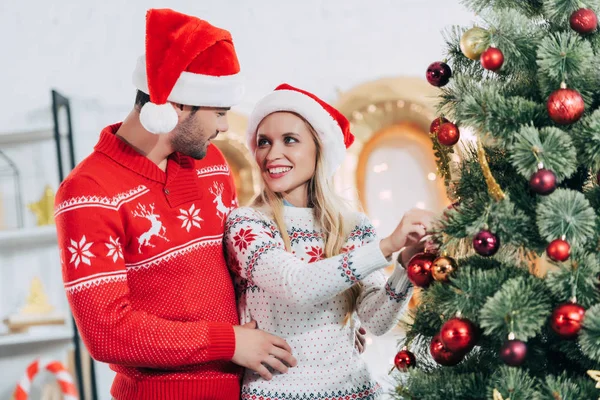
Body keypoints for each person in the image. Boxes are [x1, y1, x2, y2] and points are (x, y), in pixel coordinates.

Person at [54, 9, 297, 400]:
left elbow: (246, 272)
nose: (223, 127)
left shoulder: (212, 166)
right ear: (176, 104)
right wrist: (228, 342)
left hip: (248, 389)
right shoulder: (87, 192)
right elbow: (106, 332)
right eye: (218, 112)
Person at [224, 84, 435, 399]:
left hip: (355, 390)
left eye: (290, 140)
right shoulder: (247, 224)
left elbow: (376, 321)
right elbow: (297, 285)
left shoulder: (353, 226)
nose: (272, 154)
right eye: (264, 142)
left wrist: (405, 264)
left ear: (318, 147)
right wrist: (386, 246)